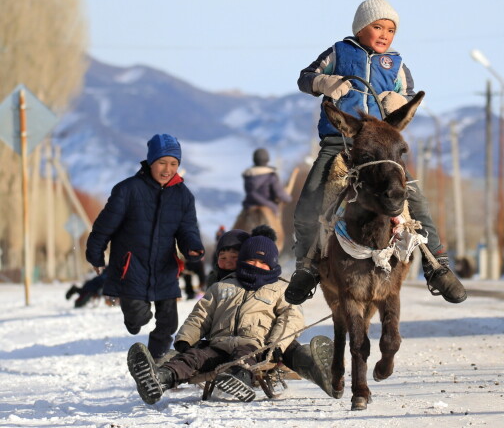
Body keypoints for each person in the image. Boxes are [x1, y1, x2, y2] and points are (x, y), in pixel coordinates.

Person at [286, 0, 467, 306]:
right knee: (308, 203)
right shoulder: (338, 52)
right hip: (337, 145)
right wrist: (324, 82)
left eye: (391, 29)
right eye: (378, 27)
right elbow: (305, 77)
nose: (385, 34)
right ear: (360, 28)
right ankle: (307, 266)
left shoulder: (396, 65)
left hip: (380, 151)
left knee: (417, 200)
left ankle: (437, 265)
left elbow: (408, 93)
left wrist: (397, 101)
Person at [126, 226, 333, 404]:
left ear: (272, 265)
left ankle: (239, 381)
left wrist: (276, 346)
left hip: (253, 344)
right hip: (217, 343)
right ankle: (160, 378)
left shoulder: (279, 288)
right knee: (193, 357)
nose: (256, 266)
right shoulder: (222, 285)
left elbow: (291, 318)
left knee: (243, 357)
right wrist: (185, 339)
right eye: (251, 261)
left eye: (262, 263)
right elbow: (200, 315)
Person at [86, 133, 205, 362]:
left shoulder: (183, 195)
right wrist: (96, 255)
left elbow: (187, 228)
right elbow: (103, 227)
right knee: (138, 318)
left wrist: (193, 246)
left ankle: (155, 361)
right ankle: (133, 320)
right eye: (162, 162)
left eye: (173, 163)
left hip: (164, 268)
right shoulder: (127, 190)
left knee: (169, 323)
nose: (167, 169)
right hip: (131, 268)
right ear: (151, 162)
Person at [241, 148, 292, 215]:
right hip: (269, 207)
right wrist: (288, 198)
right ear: (267, 160)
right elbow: (280, 194)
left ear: (254, 160)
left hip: (249, 207)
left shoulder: (248, 175)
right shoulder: (271, 176)